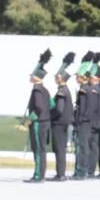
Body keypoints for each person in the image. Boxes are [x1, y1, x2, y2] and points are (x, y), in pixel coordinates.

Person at [24, 50, 53, 183]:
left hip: (38, 123)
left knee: (38, 149)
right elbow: (51, 105)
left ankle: (38, 175)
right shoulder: (45, 90)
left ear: (37, 77)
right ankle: (40, 174)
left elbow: (39, 108)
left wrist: (30, 118)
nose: (30, 77)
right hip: (45, 122)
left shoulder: (37, 90)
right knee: (42, 149)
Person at [50, 52, 75, 181]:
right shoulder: (65, 90)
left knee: (59, 149)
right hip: (64, 123)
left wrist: (51, 117)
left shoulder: (61, 91)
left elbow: (59, 109)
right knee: (61, 149)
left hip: (59, 123)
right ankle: (61, 173)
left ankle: (60, 174)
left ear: (61, 78)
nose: (55, 78)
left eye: (56, 76)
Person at [73, 53, 95, 180]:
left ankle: (82, 170)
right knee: (81, 146)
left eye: (78, 76)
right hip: (83, 122)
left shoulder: (85, 90)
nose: (76, 78)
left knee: (83, 146)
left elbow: (86, 109)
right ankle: (80, 169)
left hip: (84, 122)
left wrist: (80, 121)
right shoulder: (85, 88)